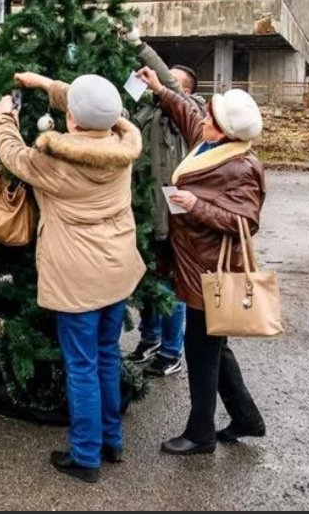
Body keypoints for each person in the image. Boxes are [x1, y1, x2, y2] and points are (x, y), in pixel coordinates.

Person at [0, 72, 144, 484]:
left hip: (78, 277)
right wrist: (43, 83)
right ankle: (112, 440)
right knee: (108, 355)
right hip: (117, 268)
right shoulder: (121, 146)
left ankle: (86, 456)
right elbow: (93, 108)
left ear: (71, 119)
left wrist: (5, 118)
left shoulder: (55, 160)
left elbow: (13, 155)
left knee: (82, 365)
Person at [135, 67, 267, 455]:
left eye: (211, 117)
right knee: (214, 347)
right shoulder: (208, 146)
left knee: (203, 350)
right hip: (194, 264)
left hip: (213, 270)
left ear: (225, 130)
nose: (203, 118)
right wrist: (159, 88)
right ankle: (246, 418)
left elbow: (245, 221)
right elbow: (186, 113)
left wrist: (196, 206)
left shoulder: (240, 166)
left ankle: (200, 433)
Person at [123, 27, 203, 378]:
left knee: (170, 284)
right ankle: (150, 339)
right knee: (147, 281)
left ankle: (172, 351)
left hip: (173, 214)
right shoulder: (148, 112)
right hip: (144, 211)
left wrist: (139, 46)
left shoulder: (190, 112)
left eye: (171, 81)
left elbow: (168, 86)